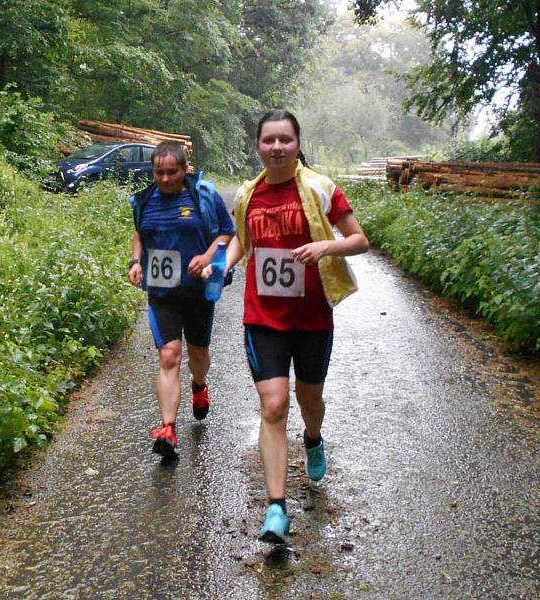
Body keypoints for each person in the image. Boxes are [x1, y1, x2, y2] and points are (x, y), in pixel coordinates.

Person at [203, 110, 369, 543]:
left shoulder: (320, 187)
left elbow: (360, 239)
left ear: (297, 144)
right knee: (273, 405)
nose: (276, 148)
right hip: (263, 317)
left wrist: (326, 245)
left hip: (313, 316)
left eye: (285, 140)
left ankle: (313, 438)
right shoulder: (247, 193)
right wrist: (225, 265)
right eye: (269, 141)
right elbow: (243, 238)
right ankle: (276, 507)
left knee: (308, 397)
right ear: (258, 146)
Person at [128, 140, 235, 460]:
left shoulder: (203, 195)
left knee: (198, 352)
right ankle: (168, 429)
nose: (164, 178)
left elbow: (226, 234)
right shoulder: (145, 200)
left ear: (185, 168)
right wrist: (135, 262)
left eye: (171, 172)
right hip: (162, 293)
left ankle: (199, 386)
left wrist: (206, 256)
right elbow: (139, 234)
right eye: (158, 172)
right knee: (170, 355)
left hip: (198, 291)